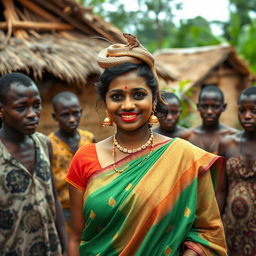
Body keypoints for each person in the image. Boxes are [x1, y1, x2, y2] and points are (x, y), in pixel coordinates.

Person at [66, 33, 227, 255]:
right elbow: (76, 236)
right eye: (116, 97)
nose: (128, 105)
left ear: (154, 100)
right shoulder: (84, 158)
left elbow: (208, 233)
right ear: (105, 103)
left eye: (139, 94)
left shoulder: (183, 156)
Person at [0, 72, 67, 255]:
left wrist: (66, 248)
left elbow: (54, 199)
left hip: (51, 249)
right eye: (21, 107)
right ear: (1, 110)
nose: (32, 114)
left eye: (36, 105)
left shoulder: (44, 144)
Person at [48, 91, 95, 234]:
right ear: (55, 117)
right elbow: (48, 180)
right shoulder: (49, 143)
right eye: (65, 115)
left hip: (89, 204)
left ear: (81, 112)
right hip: (63, 208)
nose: (71, 119)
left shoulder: (89, 139)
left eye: (75, 113)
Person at [218, 86, 256, 255]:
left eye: (253, 111)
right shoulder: (228, 143)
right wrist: (214, 224)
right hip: (231, 227)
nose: (247, 116)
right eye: (242, 110)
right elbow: (220, 190)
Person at [184, 85, 237, 154]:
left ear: (223, 107)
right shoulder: (187, 136)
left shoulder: (233, 136)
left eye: (215, 106)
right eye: (204, 106)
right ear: (198, 106)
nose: (209, 111)